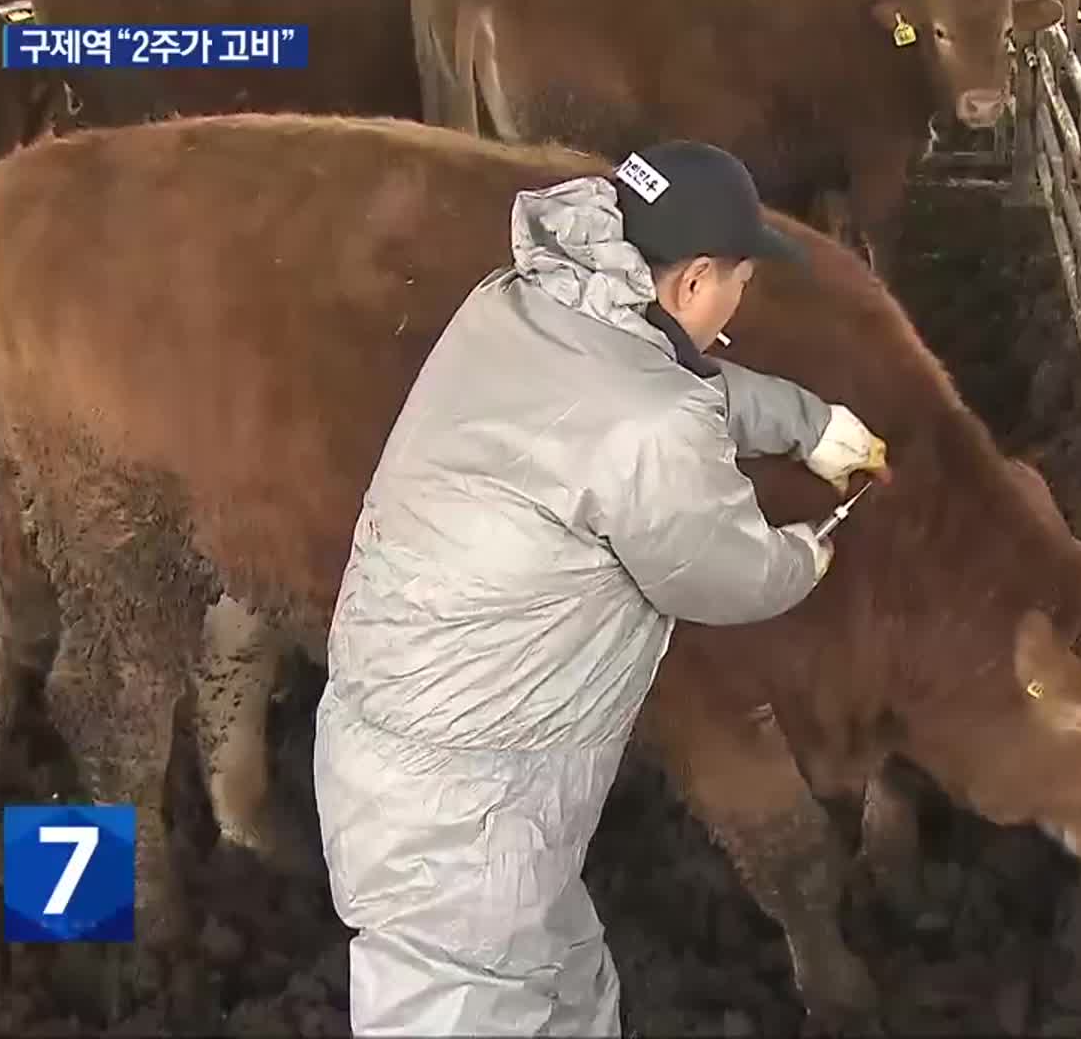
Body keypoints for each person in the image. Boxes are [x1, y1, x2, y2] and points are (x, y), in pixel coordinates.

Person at [311, 140, 891, 1037]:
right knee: (466, 1000)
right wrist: (808, 553)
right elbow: (726, 572)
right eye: (741, 278)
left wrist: (801, 421)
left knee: (565, 985)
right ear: (697, 280)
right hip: (461, 811)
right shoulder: (649, 424)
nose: (742, 298)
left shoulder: (519, 304)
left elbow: (643, 394)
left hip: (433, 756)